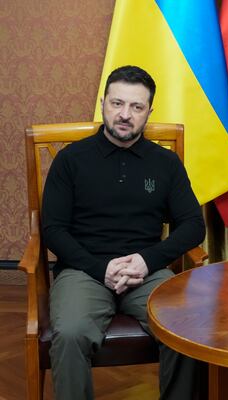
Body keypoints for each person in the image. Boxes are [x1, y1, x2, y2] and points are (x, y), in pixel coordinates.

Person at [42, 65, 207, 400]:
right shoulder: (70, 160)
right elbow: (52, 230)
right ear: (103, 103)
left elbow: (193, 225)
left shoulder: (166, 163)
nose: (125, 115)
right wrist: (100, 269)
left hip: (146, 270)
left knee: (186, 329)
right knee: (71, 333)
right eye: (117, 104)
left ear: (149, 112)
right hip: (83, 271)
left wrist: (147, 262)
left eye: (136, 107)